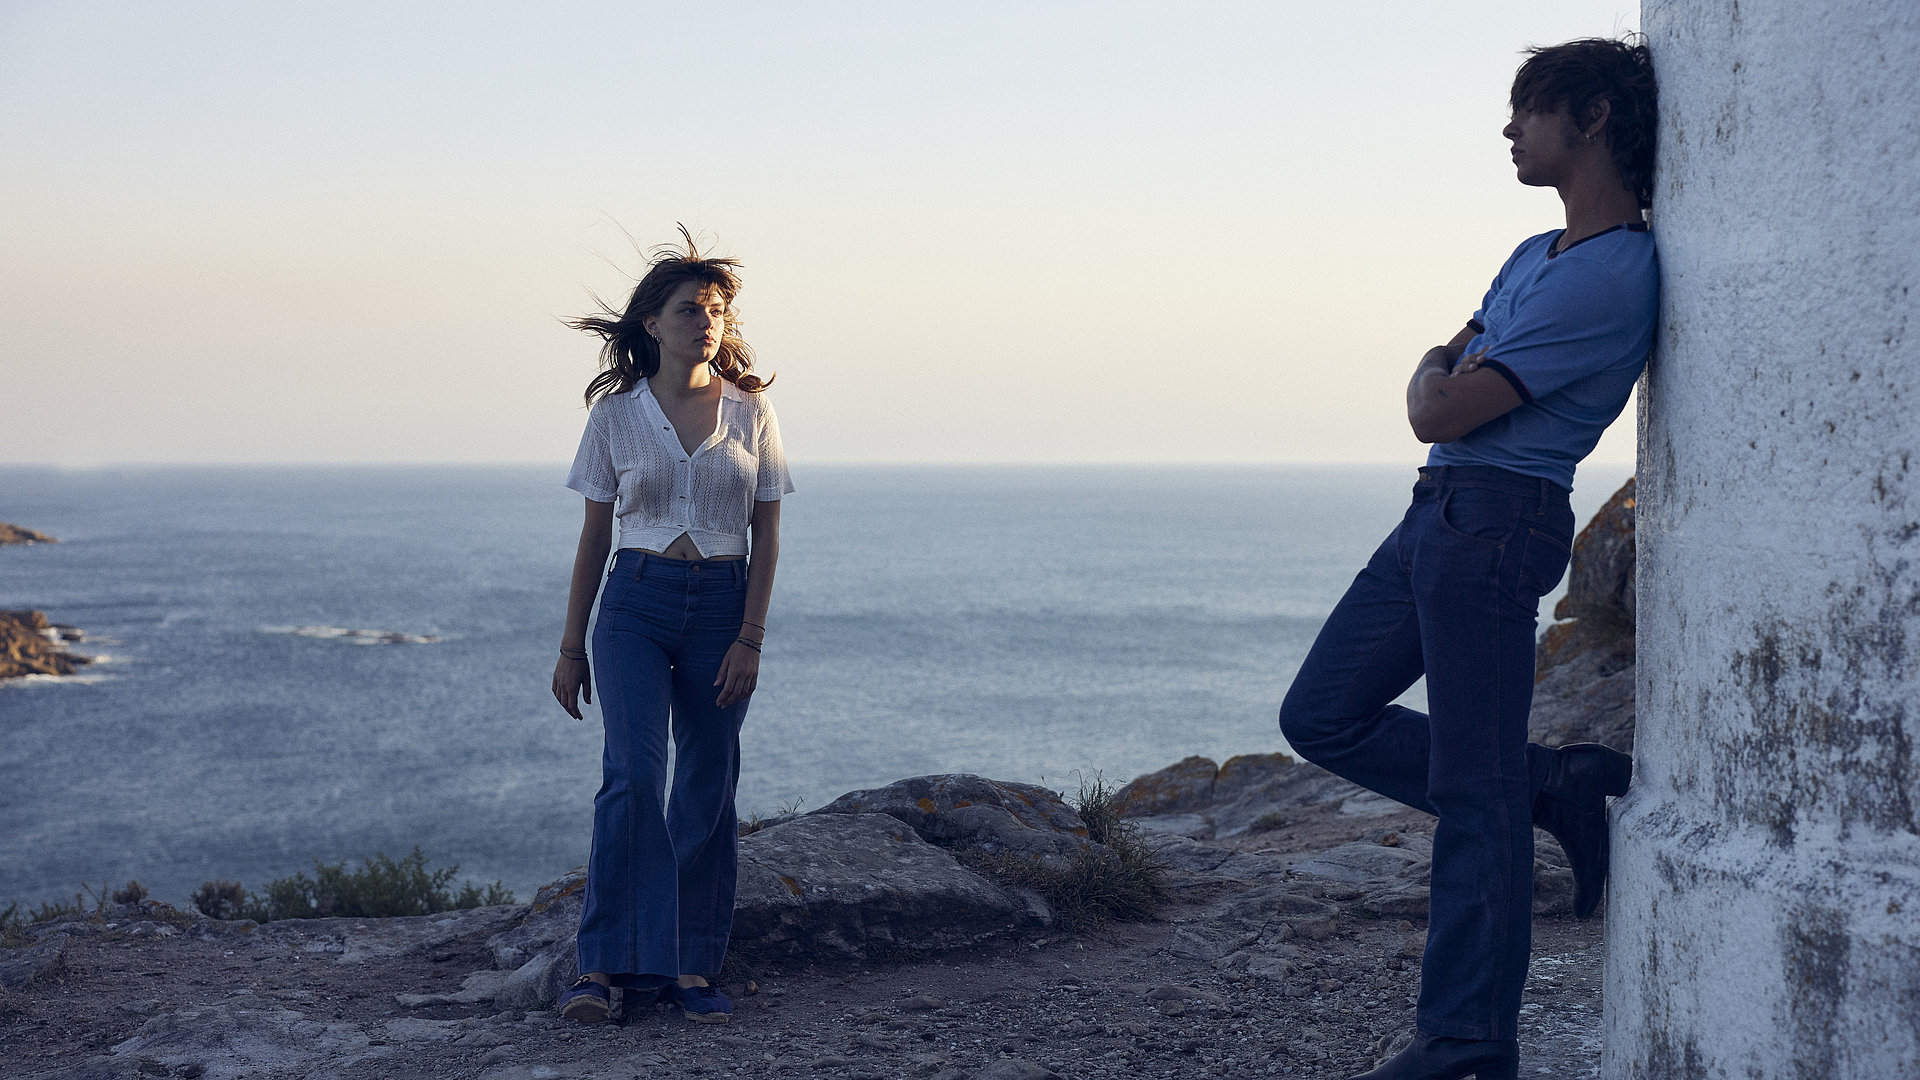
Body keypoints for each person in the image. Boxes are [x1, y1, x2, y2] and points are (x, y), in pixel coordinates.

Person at [1277, 38, 1657, 1080]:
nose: (1507, 130)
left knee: (1474, 798)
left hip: (1496, 522)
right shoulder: (1535, 253)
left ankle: (1465, 1046)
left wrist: (1437, 370)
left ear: (1589, 119)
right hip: (1438, 513)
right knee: (1319, 714)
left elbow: (1437, 398)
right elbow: (1449, 374)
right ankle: (1560, 781)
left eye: (1525, 110)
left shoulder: (1618, 272)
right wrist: (1442, 370)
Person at [549, 227, 793, 1025]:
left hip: (722, 608)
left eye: (717, 308)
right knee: (633, 776)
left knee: (707, 780)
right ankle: (606, 967)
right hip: (635, 606)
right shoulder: (615, 416)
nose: (708, 320)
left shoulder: (752, 412)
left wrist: (750, 637)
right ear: (651, 322)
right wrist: (570, 644)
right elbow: (594, 536)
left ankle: (689, 965)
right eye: (691, 307)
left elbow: (768, 535)